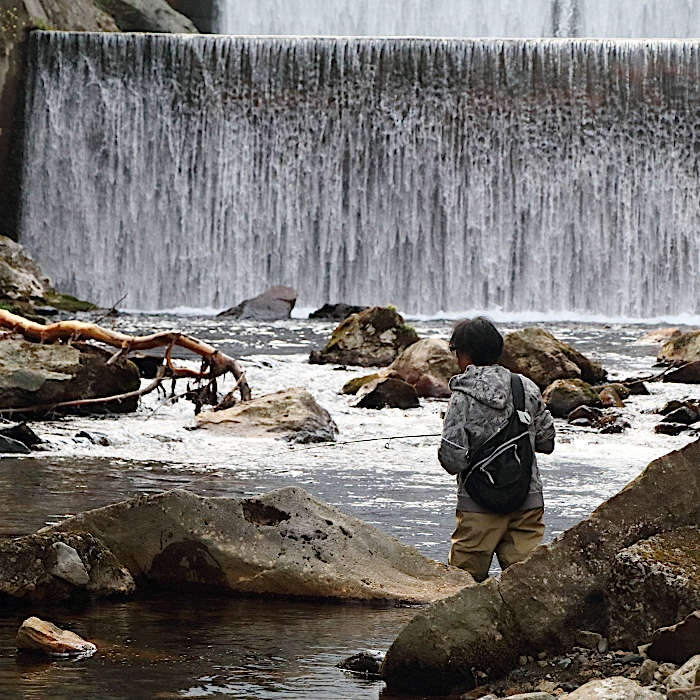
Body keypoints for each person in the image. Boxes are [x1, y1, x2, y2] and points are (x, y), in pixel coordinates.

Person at [438, 317, 555, 582]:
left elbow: (452, 459)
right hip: (527, 499)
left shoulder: (462, 395)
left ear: (464, 354)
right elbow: (547, 442)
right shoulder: (525, 387)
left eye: (456, 351)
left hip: (479, 505)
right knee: (527, 584)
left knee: (462, 586)